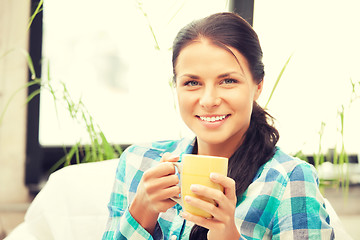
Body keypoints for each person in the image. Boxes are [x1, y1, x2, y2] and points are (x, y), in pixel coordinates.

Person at [102, 12, 334, 239]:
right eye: (192, 82)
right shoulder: (137, 162)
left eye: (228, 81)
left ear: (258, 86)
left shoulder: (289, 180)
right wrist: (142, 211)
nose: (209, 100)